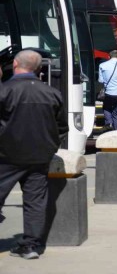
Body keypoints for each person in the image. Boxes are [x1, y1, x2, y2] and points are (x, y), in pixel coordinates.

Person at [0, 50, 69, 259]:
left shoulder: (5, 90)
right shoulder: (52, 93)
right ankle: (30, 246)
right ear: (39, 68)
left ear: (14, 64)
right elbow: (62, 127)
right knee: (35, 201)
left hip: (6, 156)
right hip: (40, 156)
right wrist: (50, 147)